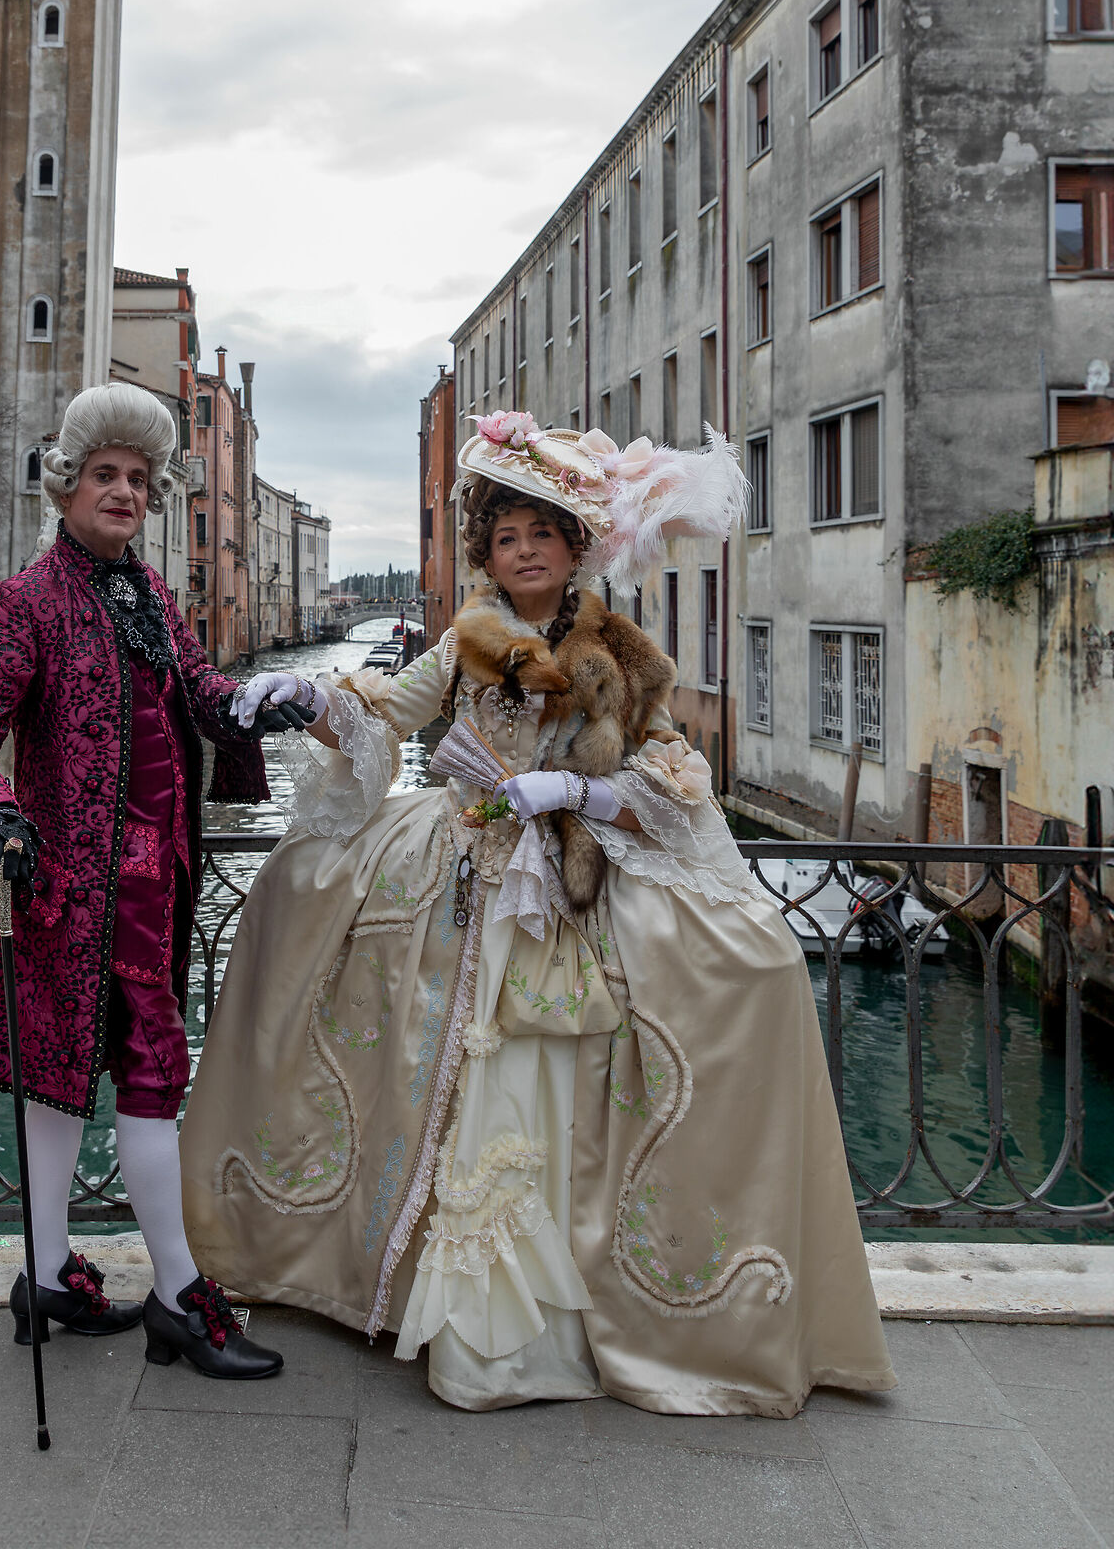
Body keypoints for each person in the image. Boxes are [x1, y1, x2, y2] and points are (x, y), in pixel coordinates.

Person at [179, 414, 895, 1415]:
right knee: (306, 910)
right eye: (506, 537)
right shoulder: (464, 640)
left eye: (541, 536)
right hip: (456, 873)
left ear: (574, 547)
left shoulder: (622, 654)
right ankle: (429, 1297)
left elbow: (670, 777)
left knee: (608, 1048)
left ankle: (558, 1321)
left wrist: (577, 793)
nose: (523, 552)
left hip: (566, 886)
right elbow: (388, 710)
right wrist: (312, 694)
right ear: (488, 551)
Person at [0, 382, 284, 1381]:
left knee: (69, 1076)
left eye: (139, 479)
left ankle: (45, 1275)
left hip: (155, 888)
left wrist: (255, 701)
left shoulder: (151, 595)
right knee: (143, 1076)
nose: (124, 492)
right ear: (68, 485)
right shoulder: (25, 602)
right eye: (105, 475)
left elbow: (198, 690)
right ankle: (179, 1297)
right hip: (70, 895)